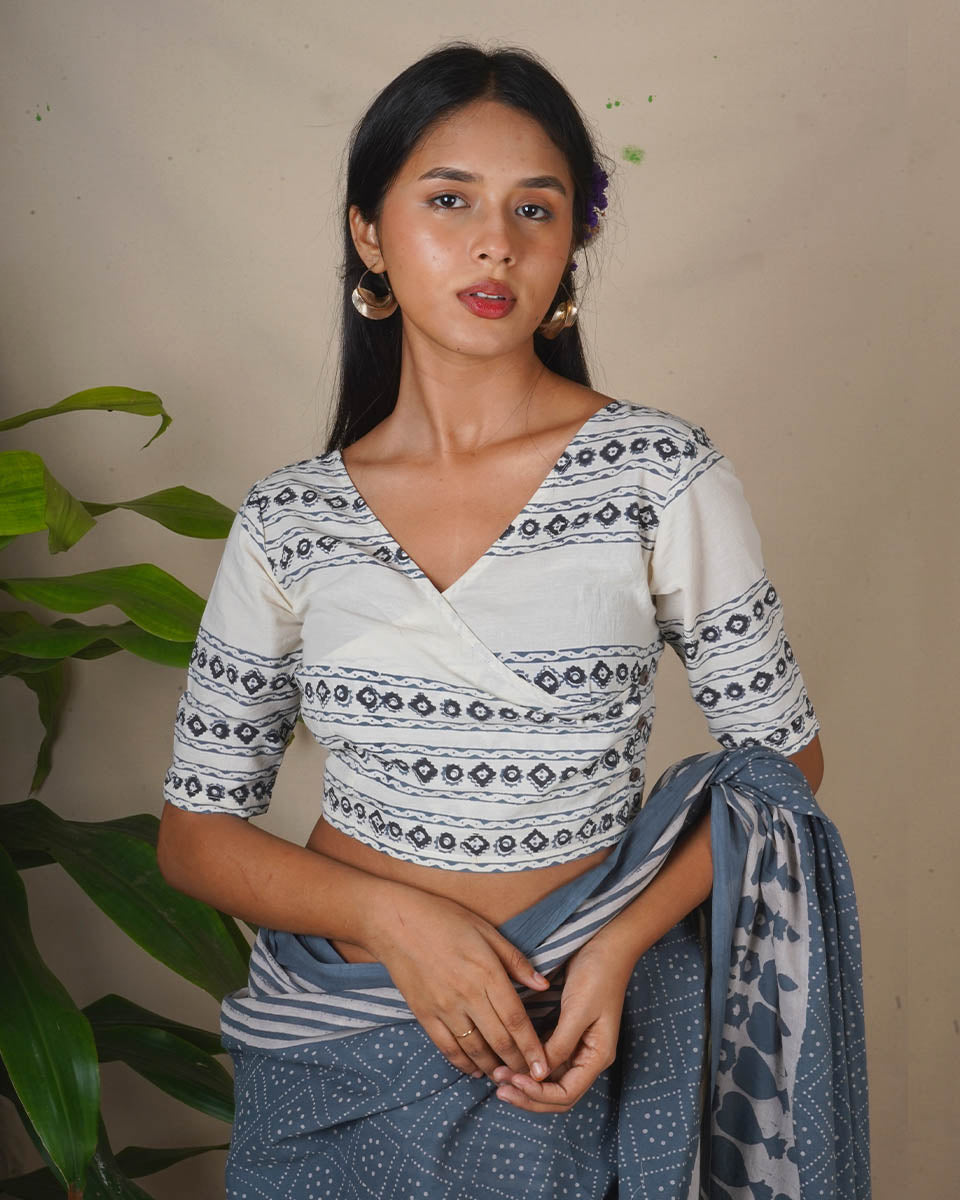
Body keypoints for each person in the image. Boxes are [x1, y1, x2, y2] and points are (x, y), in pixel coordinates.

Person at [157, 41, 869, 1199]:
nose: (496, 243)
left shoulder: (657, 474)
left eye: (534, 209)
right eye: (450, 201)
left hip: (573, 1028)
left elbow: (784, 759)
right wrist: (398, 925)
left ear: (569, 244)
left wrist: (618, 946)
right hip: (337, 1038)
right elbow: (195, 834)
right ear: (370, 234)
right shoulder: (292, 517)